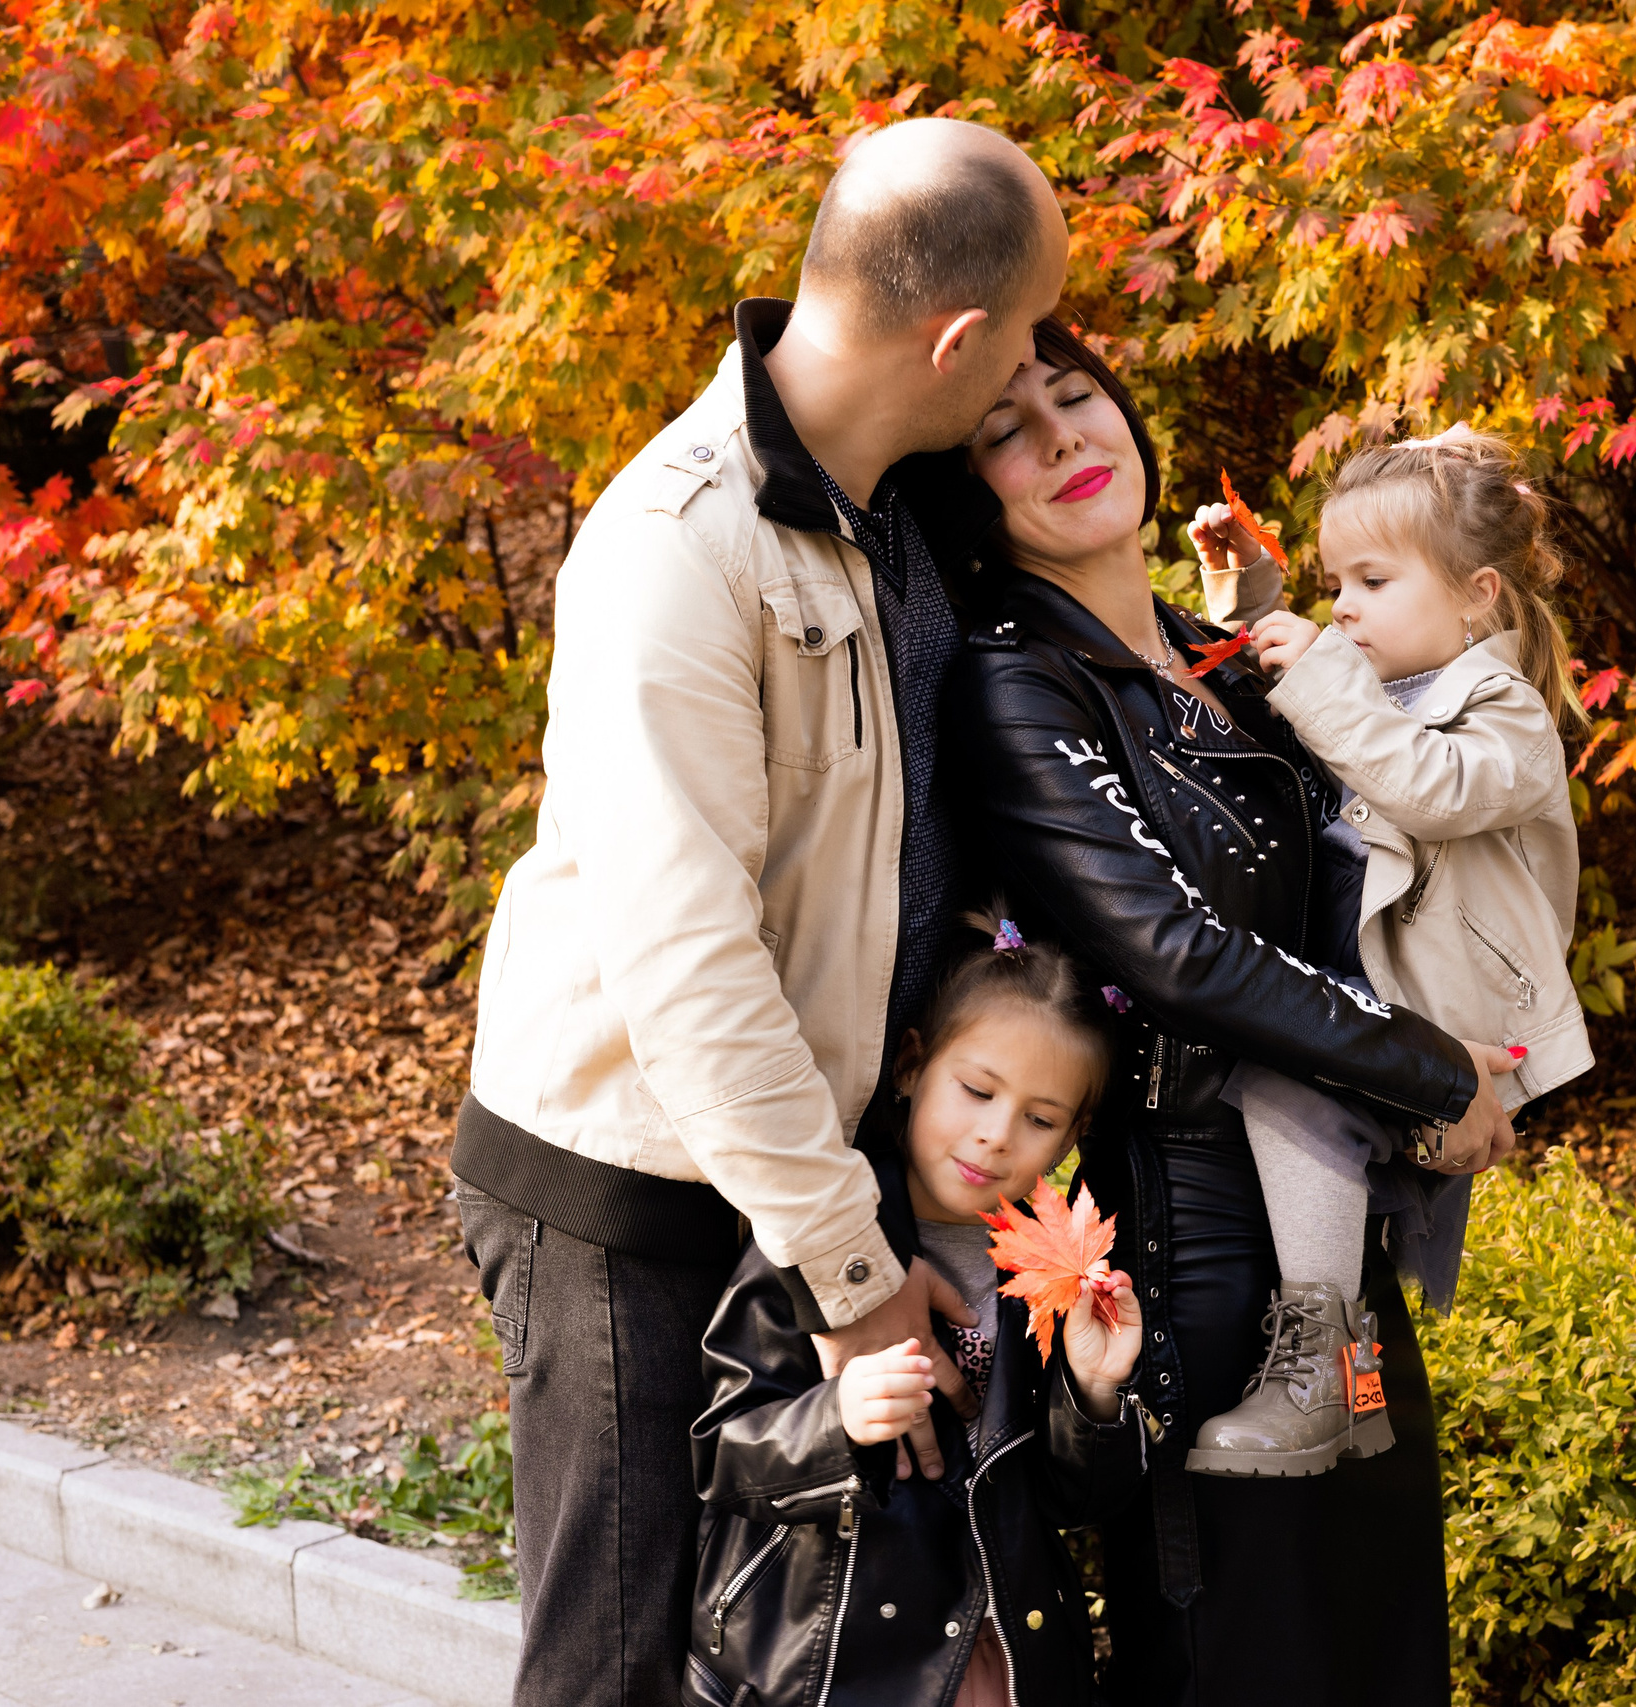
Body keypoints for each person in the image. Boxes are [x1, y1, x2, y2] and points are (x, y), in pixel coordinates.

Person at [449, 119, 1069, 1707]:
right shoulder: (680, 547)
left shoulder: (899, 507)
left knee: (777, 1647)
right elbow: (690, 962)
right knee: (619, 1655)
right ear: (951, 337)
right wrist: (854, 1287)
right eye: (1021, 338)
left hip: (806, 1165)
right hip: (630, 1182)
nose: (1027, 375)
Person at [943, 317, 1521, 1707]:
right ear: (971, 489)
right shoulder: (1019, 680)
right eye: (1006, 428)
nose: (1062, 434)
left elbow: (1403, 809)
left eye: (1078, 396)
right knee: (1245, 1653)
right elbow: (1175, 948)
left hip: (1343, 1245)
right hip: (1203, 1255)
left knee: (1378, 1644)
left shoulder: (1221, 653)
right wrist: (1433, 1078)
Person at [1177, 426, 1594, 1476]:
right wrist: (1250, 600)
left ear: (1475, 596)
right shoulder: (1383, 683)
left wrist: (1318, 667)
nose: (1344, 606)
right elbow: (1306, 705)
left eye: (1370, 579)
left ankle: (1320, 1368)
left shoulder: (1502, 715)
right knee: (1287, 1081)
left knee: (1284, 1084)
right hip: (1366, 991)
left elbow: (1421, 785)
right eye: (1333, 581)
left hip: (1454, 1029)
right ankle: (1351, 1387)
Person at [683, 911, 1149, 1707]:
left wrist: (1094, 1394)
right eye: (975, 1090)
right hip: (834, 1651)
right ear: (910, 1064)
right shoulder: (822, 1234)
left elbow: (1075, 1501)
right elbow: (723, 1454)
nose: (995, 1135)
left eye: (1040, 1119)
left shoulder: (1056, 1265)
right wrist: (838, 1419)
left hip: (991, 1645)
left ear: (1075, 1132)